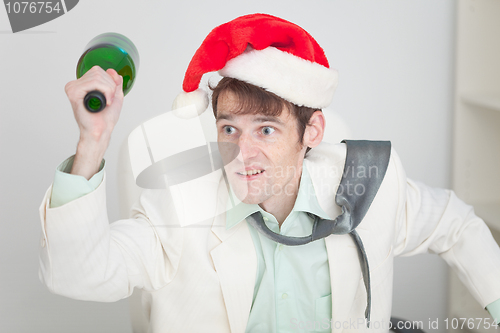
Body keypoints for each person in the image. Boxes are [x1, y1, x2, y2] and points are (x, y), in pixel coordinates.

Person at [39, 13, 500, 333]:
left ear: (311, 131)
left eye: (266, 129)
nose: (243, 151)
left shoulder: (368, 187)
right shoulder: (177, 212)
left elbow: (455, 225)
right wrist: (92, 143)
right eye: (229, 128)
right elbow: (78, 275)